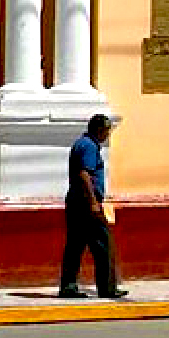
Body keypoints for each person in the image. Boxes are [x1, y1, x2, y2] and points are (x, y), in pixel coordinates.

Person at [58, 114, 126, 299]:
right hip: (86, 204)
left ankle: (68, 286)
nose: (107, 134)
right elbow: (84, 174)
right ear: (99, 129)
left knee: (75, 246)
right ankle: (107, 288)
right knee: (103, 245)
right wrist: (93, 202)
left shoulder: (82, 144)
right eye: (106, 130)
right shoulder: (89, 146)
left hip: (76, 203)